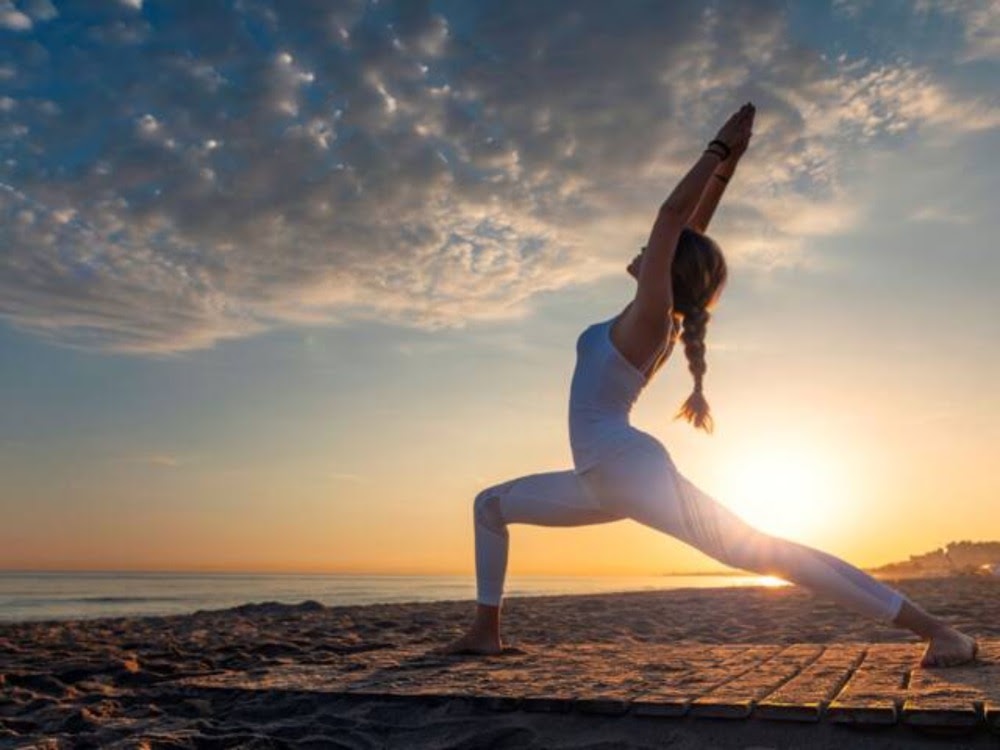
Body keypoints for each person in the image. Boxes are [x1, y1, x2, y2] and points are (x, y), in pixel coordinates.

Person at [439, 103, 977, 668]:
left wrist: (716, 147)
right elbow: (689, 228)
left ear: (666, 267)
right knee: (490, 506)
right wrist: (727, 168)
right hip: (599, 479)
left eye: (656, 249)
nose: (645, 248)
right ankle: (484, 632)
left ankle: (938, 631)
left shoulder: (652, 318)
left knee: (764, 552)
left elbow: (673, 217)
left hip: (626, 468)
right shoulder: (646, 315)